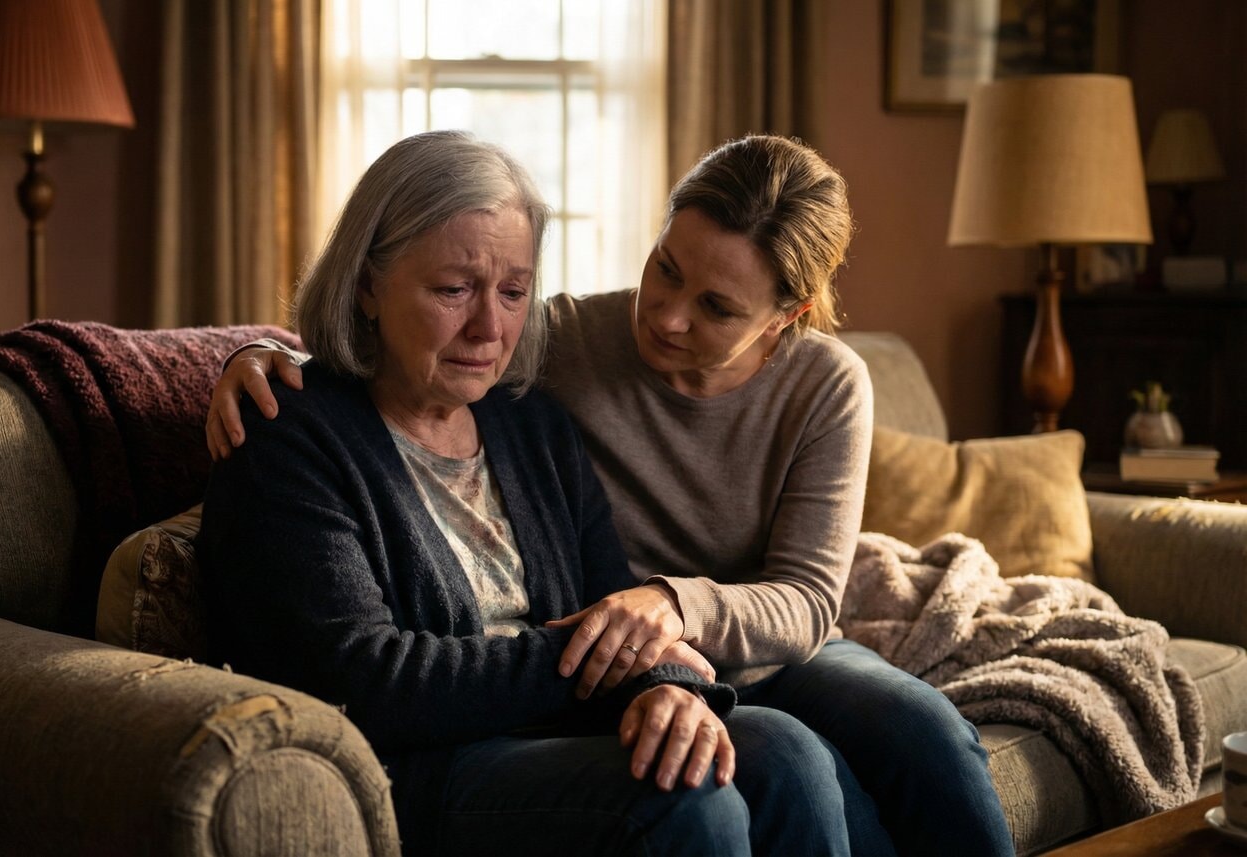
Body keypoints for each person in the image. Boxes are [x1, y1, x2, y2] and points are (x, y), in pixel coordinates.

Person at [208, 134, 1017, 857]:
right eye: (456, 289)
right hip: (518, 707)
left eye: (513, 293)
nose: (665, 317)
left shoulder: (529, 411)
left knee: (870, 741)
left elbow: (800, 599)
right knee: (694, 788)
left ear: (786, 317)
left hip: (715, 642)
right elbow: (369, 669)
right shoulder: (548, 353)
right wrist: (248, 353)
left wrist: (668, 662)